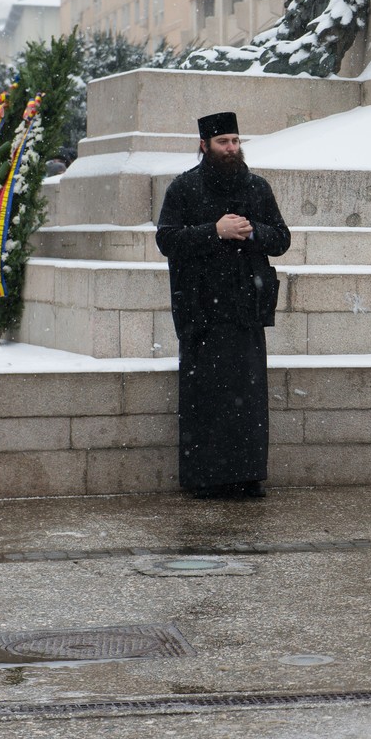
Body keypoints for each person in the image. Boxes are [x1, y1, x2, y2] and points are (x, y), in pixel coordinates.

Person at [155, 112, 290, 499]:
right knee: (206, 399)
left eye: (234, 141)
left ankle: (247, 475)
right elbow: (167, 240)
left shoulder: (257, 187)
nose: (231, 149)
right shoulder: (183, 188)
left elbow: (281, 238)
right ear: (204, 146)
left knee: (247, 402)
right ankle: (206, 478)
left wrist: (251, 232)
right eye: (222, 143)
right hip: (202, 312)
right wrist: (215, 231)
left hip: (245, 310)